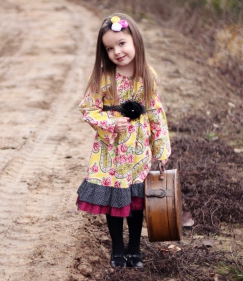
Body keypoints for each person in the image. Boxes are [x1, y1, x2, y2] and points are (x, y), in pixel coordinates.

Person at [76, 12, 171, 268]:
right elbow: (88, 109)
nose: (117, 52)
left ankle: (134, 249)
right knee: (114, 201)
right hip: (111, 150)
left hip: (139, 150)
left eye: (121, 44)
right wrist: (109, 122)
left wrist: (161, 150)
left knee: (137, 203)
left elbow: (155, 113)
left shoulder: (148, 75)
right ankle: (117, 249)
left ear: (135, 41)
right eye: (109, 48)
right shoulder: (102, 77)